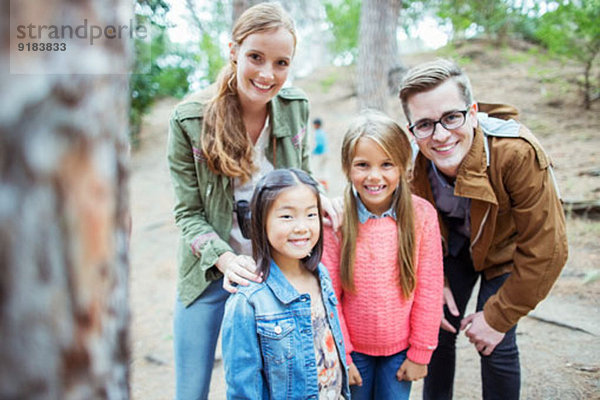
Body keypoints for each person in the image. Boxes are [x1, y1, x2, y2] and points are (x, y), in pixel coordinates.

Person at [167, 4, 340, 399]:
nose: (267, 74)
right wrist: (227, 261)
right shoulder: (189, 119)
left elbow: (301, 177)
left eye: (281, 63)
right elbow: (188, 214)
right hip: (210, 273)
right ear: (233, 50)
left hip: (277, 272)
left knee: (276, 387)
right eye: (256, 57)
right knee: (190, 390)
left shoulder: (295, 107)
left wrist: (320, 197)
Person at [398, 58, 568, 400]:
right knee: (436, 329)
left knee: (497, 341)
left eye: (451, 117)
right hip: (452, 251)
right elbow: (409, 230)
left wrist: (496, 317)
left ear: (472, 112)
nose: (441, 135)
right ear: (412, 129)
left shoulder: (516, 153)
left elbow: (548, 248)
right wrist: (435, 280)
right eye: (425, 124)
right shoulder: (412, 161)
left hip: (504, 250)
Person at [321, 110, 444, 400]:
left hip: (401, 354)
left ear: (403, 166)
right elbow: (330, 296)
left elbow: (429, 288)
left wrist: (421, 352)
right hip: (353, 353)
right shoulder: (336, 221)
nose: (374, 176)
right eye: (362, 165)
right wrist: (344, 355)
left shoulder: (421, 216)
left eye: (387, 164)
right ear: (347, 167)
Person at [221, 168, 350, 399]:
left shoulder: (321, 275)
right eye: (287, 216)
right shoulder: (248, 301)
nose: (301, 227)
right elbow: (243, 389)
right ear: (261, 221)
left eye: (311, 215)